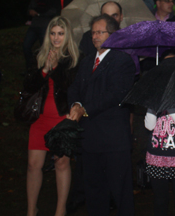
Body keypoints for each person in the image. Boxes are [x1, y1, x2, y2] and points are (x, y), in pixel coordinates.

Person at [68, 14, 136, 216]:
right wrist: (76, 104)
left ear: (112, 34)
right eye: (93, 33)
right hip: (89, 139)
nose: (95, 36)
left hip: (113, 140)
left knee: (120, 192)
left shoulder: (122, 61)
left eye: (100, 32)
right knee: (94, 191)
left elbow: (115, 94)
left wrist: (84, 109)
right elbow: (74, 88)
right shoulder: (87, 61)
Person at [25, 16, 80, 216]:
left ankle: (60, 209)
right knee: (33, 165)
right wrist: (46, 69)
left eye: (61, 34)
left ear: (67, 36)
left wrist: (56, 68)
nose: (56, 38)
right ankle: (31, 209)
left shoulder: (73, 59)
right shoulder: (39, 56)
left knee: (61, 162)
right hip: (40, 119)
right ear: (48, 35)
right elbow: (28, 87)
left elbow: (70, 88)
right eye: (53, 33)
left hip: (61, 119)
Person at [145, 51, 175, 216]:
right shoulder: (155, 92)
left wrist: (169, 100)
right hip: (157, 155)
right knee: (160, 201)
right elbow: (149, 125)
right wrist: (155, 102)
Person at [23, 0, 61, 71]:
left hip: (45, 26)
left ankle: (44, 68)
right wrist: (30, 12)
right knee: (26, 46)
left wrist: (40, 14)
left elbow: (54, 11)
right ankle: (30, 68)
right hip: (34, 26)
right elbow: (29, 10)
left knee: (44, 48)